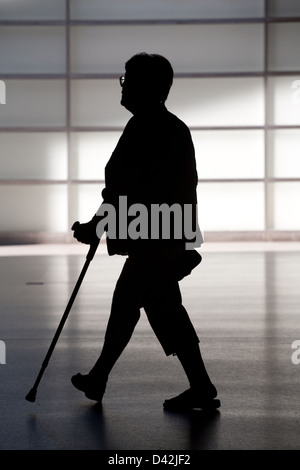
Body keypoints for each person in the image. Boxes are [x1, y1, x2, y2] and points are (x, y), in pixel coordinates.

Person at [71, 52, 220, 411]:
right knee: (149, 306)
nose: (122, 86)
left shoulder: (146, 127)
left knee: (148, 306)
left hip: (154, 240)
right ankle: (101, 377)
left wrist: (95, 226)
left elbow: (126, 188)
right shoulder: (168, 127)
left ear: (144, 86)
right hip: (162, 236)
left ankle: (196, 385)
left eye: (127, 79)